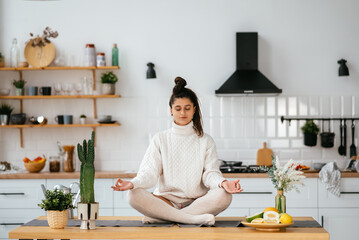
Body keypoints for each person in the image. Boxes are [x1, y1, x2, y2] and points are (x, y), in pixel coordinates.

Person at [111, 77, 243, 225]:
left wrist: (222, 182)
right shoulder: (160, 139)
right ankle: (190, 219)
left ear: (194, 109)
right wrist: (133, 183)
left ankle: (163, 217)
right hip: (165, 201)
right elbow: (149, 173)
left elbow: (210, 174)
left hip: (196, 203)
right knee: (133, 195)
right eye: (178, 108)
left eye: (187, 108)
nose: (182, 113)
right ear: (171, 110)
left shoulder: (206, 140)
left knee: (224, 195)